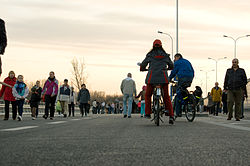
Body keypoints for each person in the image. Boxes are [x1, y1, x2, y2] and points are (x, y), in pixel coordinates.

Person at [140, 39, 174, 124]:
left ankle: (147, 113)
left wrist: (143, 68)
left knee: (148, 95)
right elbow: (171, 65)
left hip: (152, 78)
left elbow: (143, 64)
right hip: (163, 79)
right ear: (161, 45)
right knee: (166, 96)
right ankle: (171, 115)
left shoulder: (150, 55)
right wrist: (169, 68)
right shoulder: (165, 55)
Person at [169, 53, 194, 118]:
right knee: (184, 89)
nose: (174, 60)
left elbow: (173, 72)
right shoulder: (187, 61)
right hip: (190, 77)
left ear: (178, 57)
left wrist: (169, 79)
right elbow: (192, 70)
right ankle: (188, 100)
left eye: (175, 58)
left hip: (182, 78)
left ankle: (178, 112)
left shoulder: (177, 62)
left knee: (178, 93)